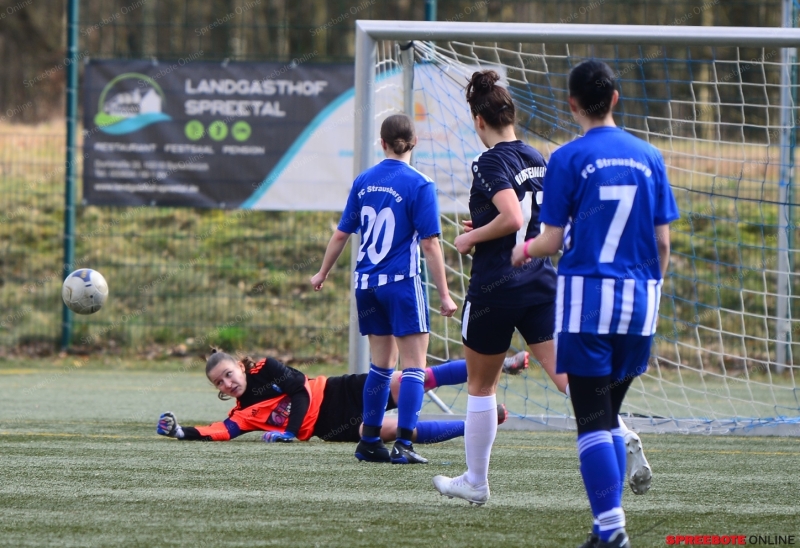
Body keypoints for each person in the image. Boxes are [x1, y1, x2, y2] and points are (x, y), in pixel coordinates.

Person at [511, 60, 679, 548]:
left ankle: (612, 529)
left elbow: (551, 240)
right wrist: (650, 288)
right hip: (640, 305)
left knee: (591, 420)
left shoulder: (568, 157)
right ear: (615, 99)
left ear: (572, 104)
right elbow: (662, 243)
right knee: (606, 416)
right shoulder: (649, 155)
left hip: (589, 303)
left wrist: (523, 250)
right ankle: (603, 529)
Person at [431, 69, 558, 505]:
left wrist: (470, 238)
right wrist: (486, 225)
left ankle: (476, 482)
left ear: (479, 120)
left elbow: (513, 217)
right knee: (568, 377)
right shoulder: (536, 157)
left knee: (482, 386)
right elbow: (531, 219)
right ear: (512, 116)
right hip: (539, 282)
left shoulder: (489, 161)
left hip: (496, 288)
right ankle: (620, 431)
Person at [310, 114, 458, 464]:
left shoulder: (363, 181)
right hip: (401, 284)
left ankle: (369, 441)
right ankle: (404, 444)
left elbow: (342, 234)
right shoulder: (420, 184)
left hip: (367, 286)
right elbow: (430, 244)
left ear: (382, 143)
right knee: (414, 366)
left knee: (381, 366)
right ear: (414, 142)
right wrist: (445, 294)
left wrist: (322, 272)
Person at [156, 349, 526, 443]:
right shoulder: (242, 414)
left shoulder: (266, 368)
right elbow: (221, 431)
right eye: (219, 384)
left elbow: (300, 391)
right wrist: (180, 431)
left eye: (228, 374)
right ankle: (479, 423)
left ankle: (502, 363)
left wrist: (290, 432)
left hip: (338, 390)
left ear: (240, 365)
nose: (226, 383)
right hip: (332, 426)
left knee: (416, 378)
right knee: (397, 431)